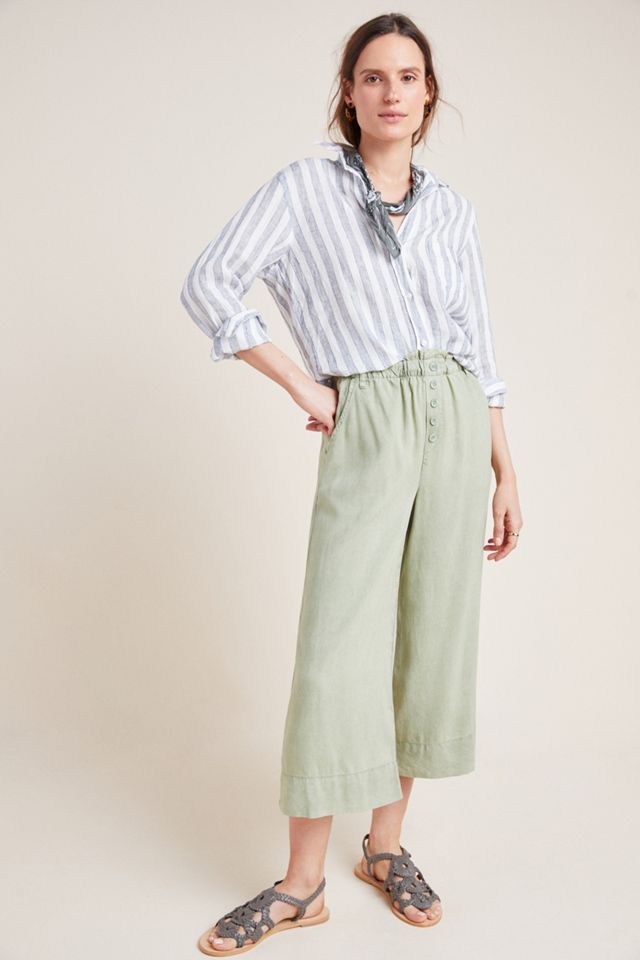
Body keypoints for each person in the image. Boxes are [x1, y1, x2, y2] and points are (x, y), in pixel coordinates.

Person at [180, 13, 523, 956]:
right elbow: (209, 283)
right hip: (367, 413)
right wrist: (303, 384)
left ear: (428, 93)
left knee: (429, 631)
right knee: (338, 646)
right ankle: (301, 885)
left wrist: (505, 469)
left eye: (408, 76)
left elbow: (480, 348)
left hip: (456, 417)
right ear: (349, 92)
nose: (391, 92)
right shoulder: (304, 189)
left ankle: (385, 847)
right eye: (373, 76)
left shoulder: (453, 212)